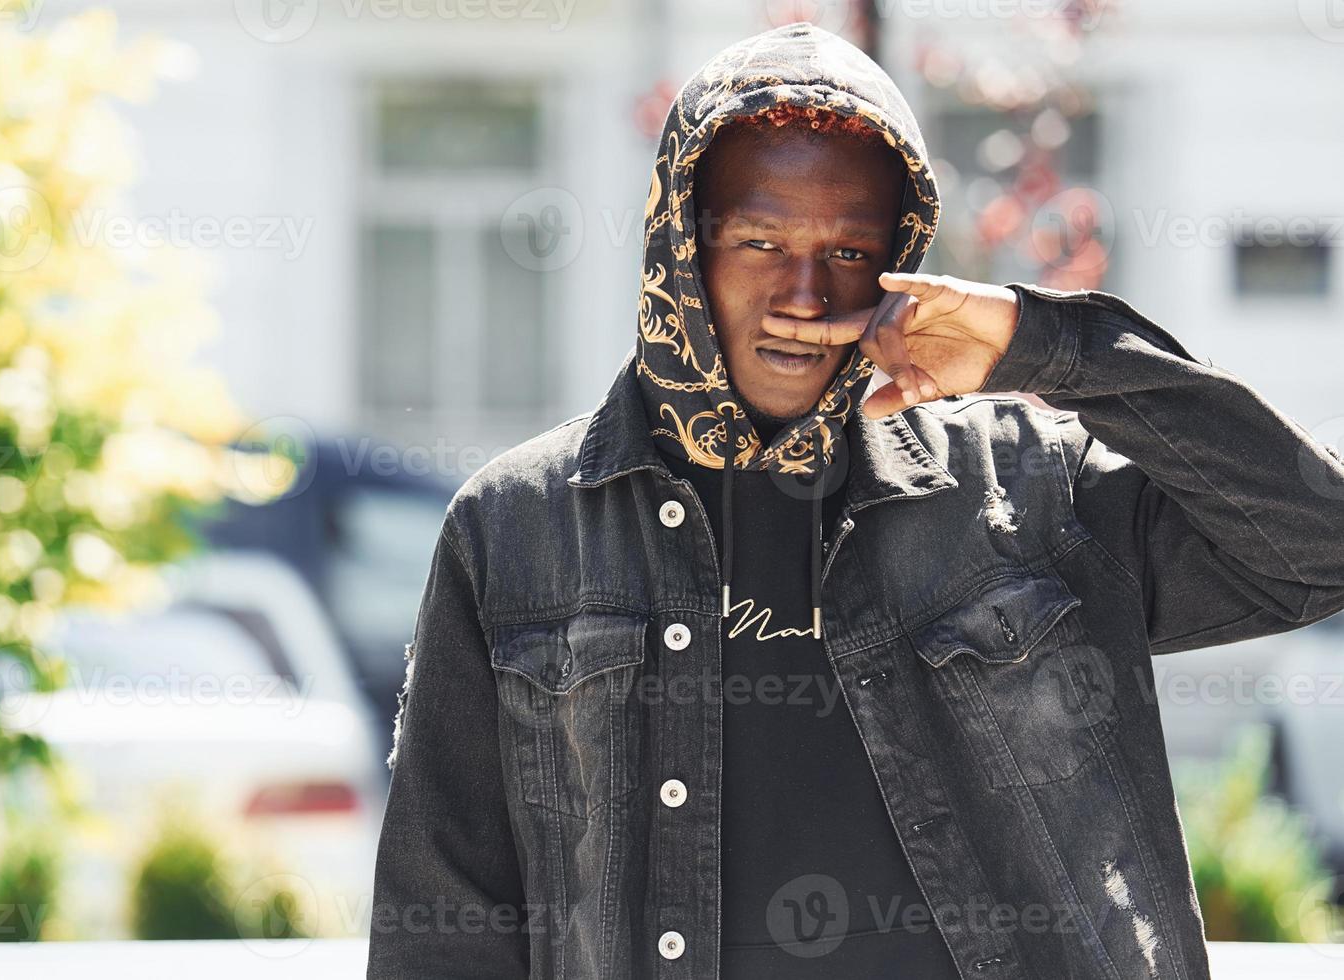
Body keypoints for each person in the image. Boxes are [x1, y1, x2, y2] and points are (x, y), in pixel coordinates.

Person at [365, 21, 1344, 980]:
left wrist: (1047, 347)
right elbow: (444, 921)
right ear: (682, 246)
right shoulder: (518, 528)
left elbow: (1320, 539)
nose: (801, 292)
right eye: (759, 241)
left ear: (900, 259)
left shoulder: (1026, 494)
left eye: (846, 251)